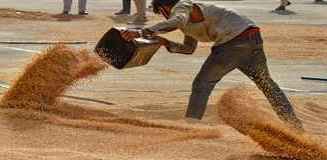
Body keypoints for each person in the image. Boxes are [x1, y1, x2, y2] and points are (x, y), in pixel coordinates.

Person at [120, 0, 304, 132]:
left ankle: (190, 127)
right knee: (267, 85)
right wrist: (164, 42)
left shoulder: (183, 5)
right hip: (253, 39)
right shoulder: (189, 21)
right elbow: (188, 49)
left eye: (161, 13)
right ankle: (294, 126)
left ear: (164, 8)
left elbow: (177, 21)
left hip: (232, 43)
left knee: (202, 85)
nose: (163, 16)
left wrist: (142, 31)